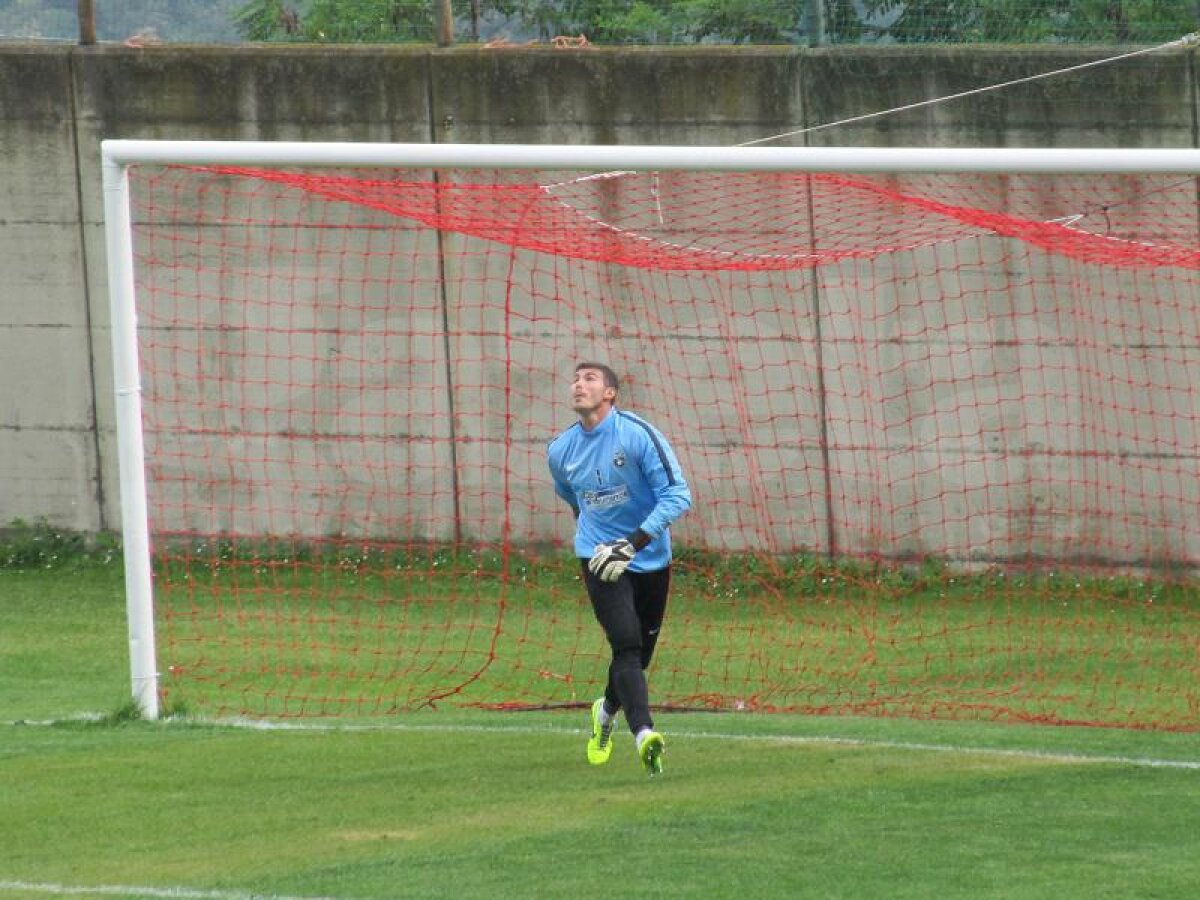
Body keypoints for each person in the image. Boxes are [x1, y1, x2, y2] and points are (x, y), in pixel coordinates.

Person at [547, 362, 692, 776]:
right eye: (575, 378)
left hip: (649, 556)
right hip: (599, 557)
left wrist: (631, 543)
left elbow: (678, 496)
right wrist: (599, 544)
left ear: (610, 393)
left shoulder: (637, 435)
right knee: (625, 645)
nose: (578, 384)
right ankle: (645, 734)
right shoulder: (560, 451)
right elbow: (573, 497)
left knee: (640, 655)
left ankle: (605, 711)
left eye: (590, 378)